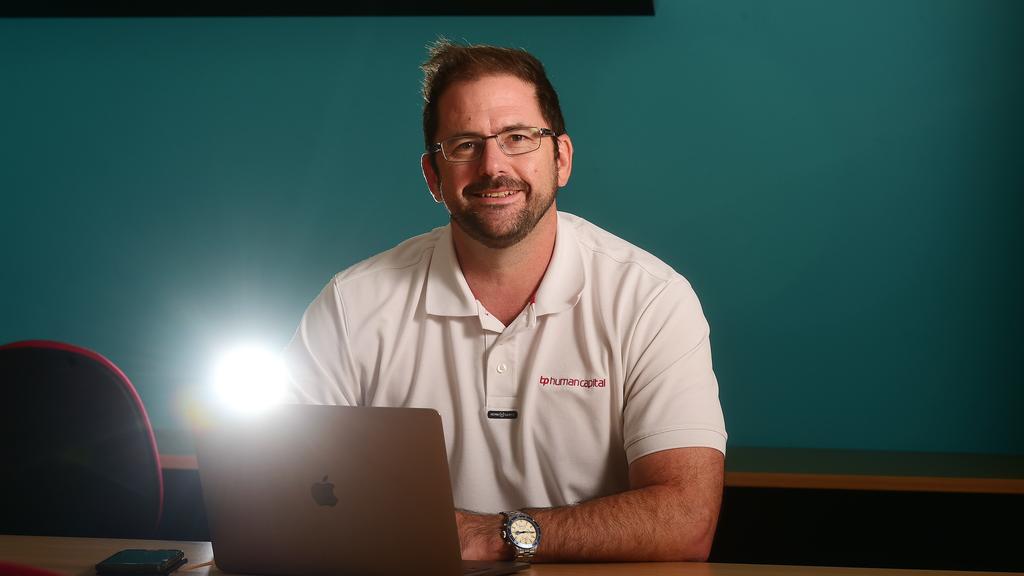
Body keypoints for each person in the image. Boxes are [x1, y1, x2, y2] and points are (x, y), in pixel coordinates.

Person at [283, 39, 727, 563]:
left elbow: (686, 521)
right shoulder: (350, 306)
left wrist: (493, 536)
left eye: (518, 137)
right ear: (433, 175)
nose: (493, 166)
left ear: (560, 158)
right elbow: (284, 500)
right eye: (465, 144)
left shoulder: (652, 300)